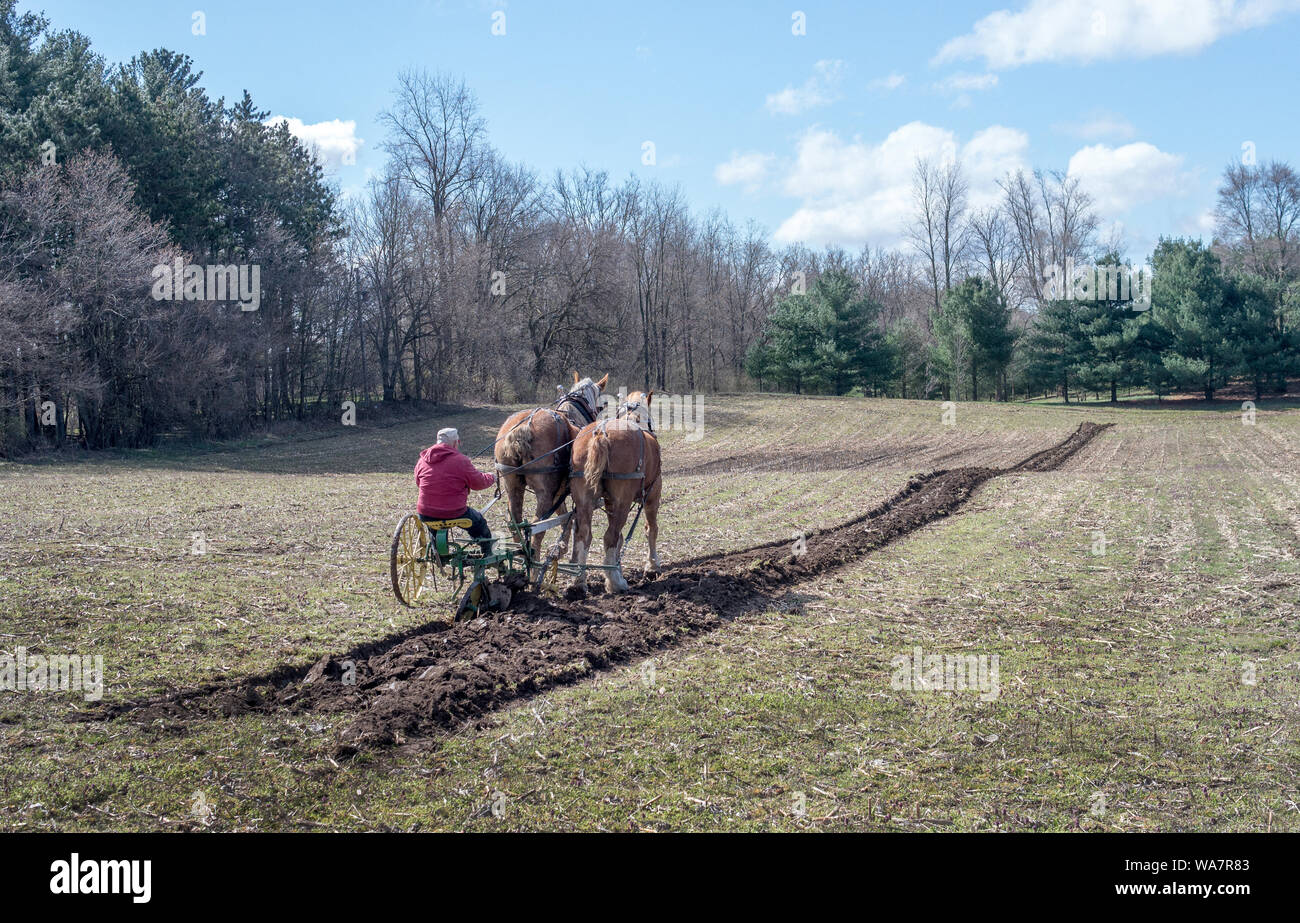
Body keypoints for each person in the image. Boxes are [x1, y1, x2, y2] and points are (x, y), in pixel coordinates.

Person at [415, 428, 496, 555]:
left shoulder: (422, 460)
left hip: (426, 513)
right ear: (455, 442)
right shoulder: (461, 460)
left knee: (434, 523)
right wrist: (492, 477)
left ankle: (438, 551)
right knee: (479, 524)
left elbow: (419, 483)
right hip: (455, 512)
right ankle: (487, 554)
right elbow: (479, 483)